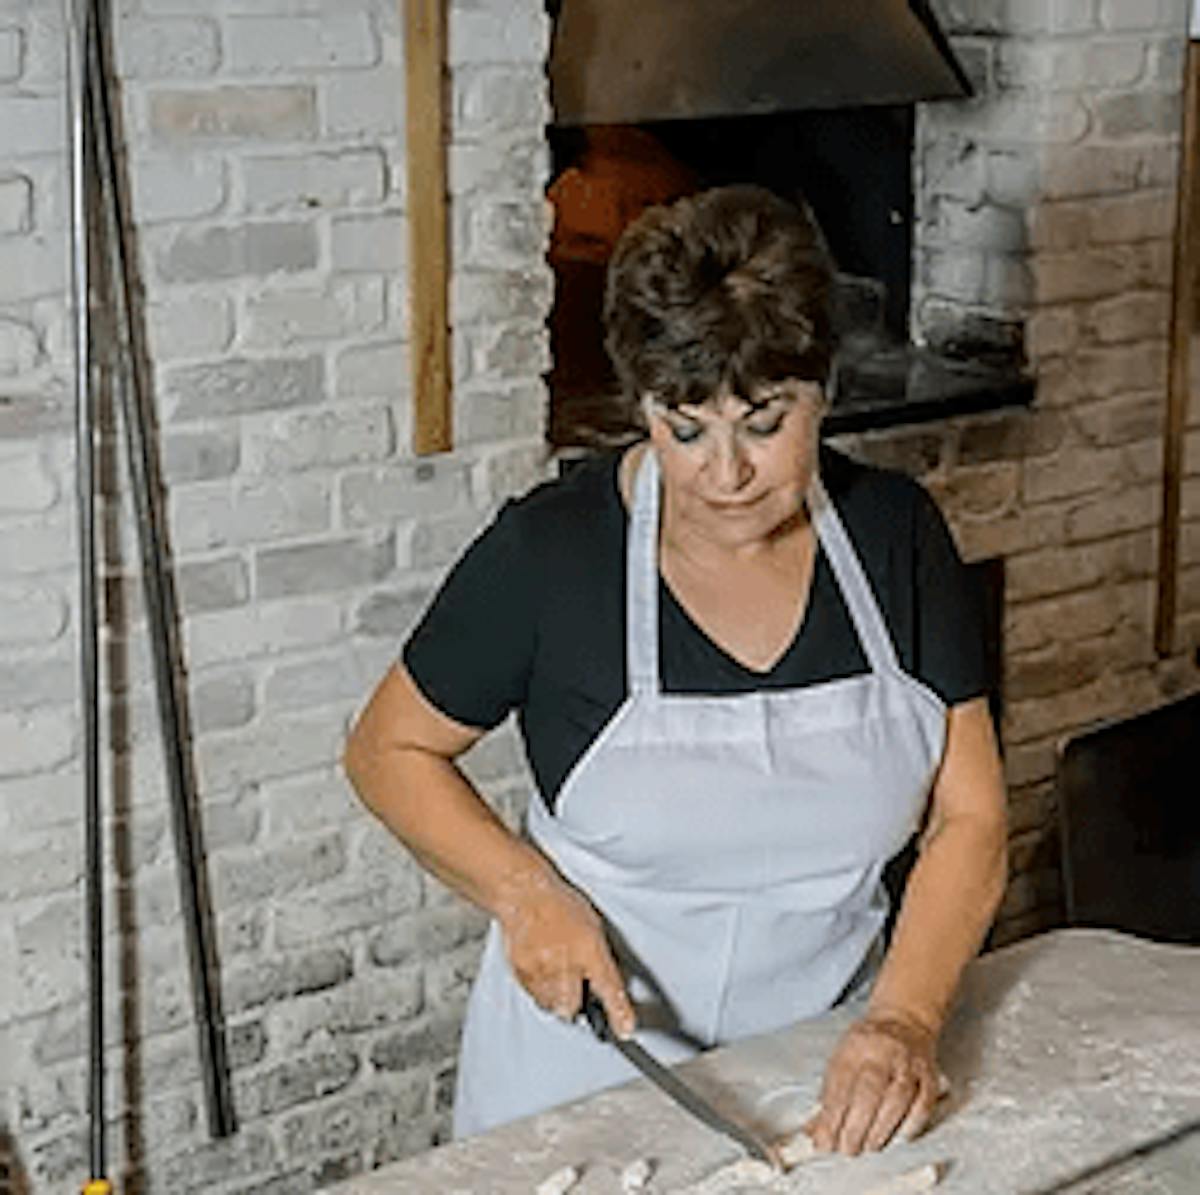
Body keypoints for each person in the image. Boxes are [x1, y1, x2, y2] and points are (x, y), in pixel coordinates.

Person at [344, 185, 1008, 1157]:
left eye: (766, 421)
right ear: (642, 404)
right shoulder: (552, 556)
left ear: (824, 387)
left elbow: (972, 815)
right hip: (583, 1079)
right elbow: (386, 750)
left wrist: (903, 1021)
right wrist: (524, 894)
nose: (726, 473)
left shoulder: (896, 536)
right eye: (684, 427)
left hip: (831, 1072)